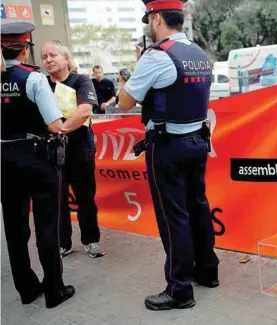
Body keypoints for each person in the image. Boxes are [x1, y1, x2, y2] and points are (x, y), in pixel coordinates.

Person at [119, 0, 219, 311]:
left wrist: (134, 72)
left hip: (168, 146)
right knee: (198, 207)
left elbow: (124, 102)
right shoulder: (198, 53)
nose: (149, 23)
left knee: (174, 216)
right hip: (198, 142)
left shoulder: (156, 55)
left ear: (158, 17)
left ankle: (179, 289)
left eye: (150, 18)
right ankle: (207, 271)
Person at [1, 22, 75, 308]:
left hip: (4, 160)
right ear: (24, 48)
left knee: (14, 229)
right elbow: (55, 124)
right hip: (37, 159)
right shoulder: (32, 78)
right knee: (47, 225)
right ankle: (54, 291)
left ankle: (28, 289)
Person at [41, 41, 105, 259]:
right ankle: (63, 243)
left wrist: (61, 130)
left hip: (80, 151)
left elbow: (85, 110)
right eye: (44, 57)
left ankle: (91, 240)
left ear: (66, 59)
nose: (48, 60)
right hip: (51, 154)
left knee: (86, 198)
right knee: (57, 201)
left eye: (52, 55)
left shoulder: (81, 81)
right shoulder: (41, 84)